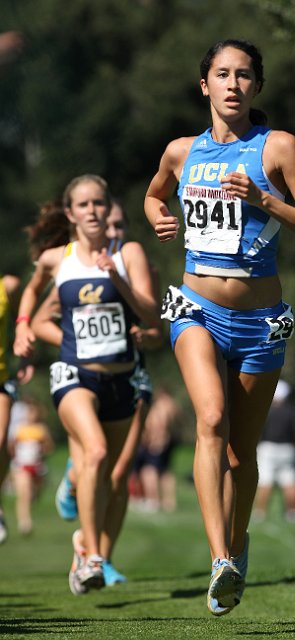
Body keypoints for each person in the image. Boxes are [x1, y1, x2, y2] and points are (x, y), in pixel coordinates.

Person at [144, 39, 295, 615]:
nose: (232, 84)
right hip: (196, 307)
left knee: (241, 455)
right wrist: (159, 217)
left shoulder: (279, 148)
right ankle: (220, 557)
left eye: (243, 75)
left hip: (262, 320)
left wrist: (266, 200)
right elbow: (153, 195)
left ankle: (238, 542)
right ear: (205, 85)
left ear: (256, 87)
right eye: (222, 74)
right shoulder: (181, 152)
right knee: (212, 419)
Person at [13, 174, 160, 594]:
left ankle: (82, 546)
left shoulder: (127, 252)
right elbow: (33, 291)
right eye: (84, 205)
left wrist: (117, 278)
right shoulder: (57, 259)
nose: (93, 211)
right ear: (70, 213)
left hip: (120, 379)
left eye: (99, 202)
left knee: (109, 471)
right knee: (93, 452)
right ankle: (95, 557)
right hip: (74, 374)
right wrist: (24, 326)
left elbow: (151, 315)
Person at [0, 273, 33, 543]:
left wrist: (24, 353)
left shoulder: (7, 285)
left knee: (0, 442)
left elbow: (24, 318)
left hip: (1, 379)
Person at [254, 380, 295, 522]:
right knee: (290, 481)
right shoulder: (292, 412)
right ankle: (294, 513)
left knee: (265, 481)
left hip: (268, 448)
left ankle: (261, 512)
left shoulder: (266, 410)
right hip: (288, 449)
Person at [131, 385, 182, 513]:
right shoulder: (174, 406)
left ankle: (153, 500)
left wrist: (156, 439)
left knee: (149, 470)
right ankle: (170, 502)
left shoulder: (161, 405)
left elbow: (160, 423)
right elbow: (179, 424)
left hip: (159, 441)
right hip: (172, 441)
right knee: (166, 471)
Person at [9, 395, 54, 535]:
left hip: (37, 466)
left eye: (33, 412)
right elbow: (11, 446)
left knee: (34, 493)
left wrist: (42, 449)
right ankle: (25, 522)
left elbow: (49, 447)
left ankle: (31, 505)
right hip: (21, 465)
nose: (31, 415)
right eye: (29, 412)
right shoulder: (19, 428)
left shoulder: (41, 429)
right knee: (24, 493)